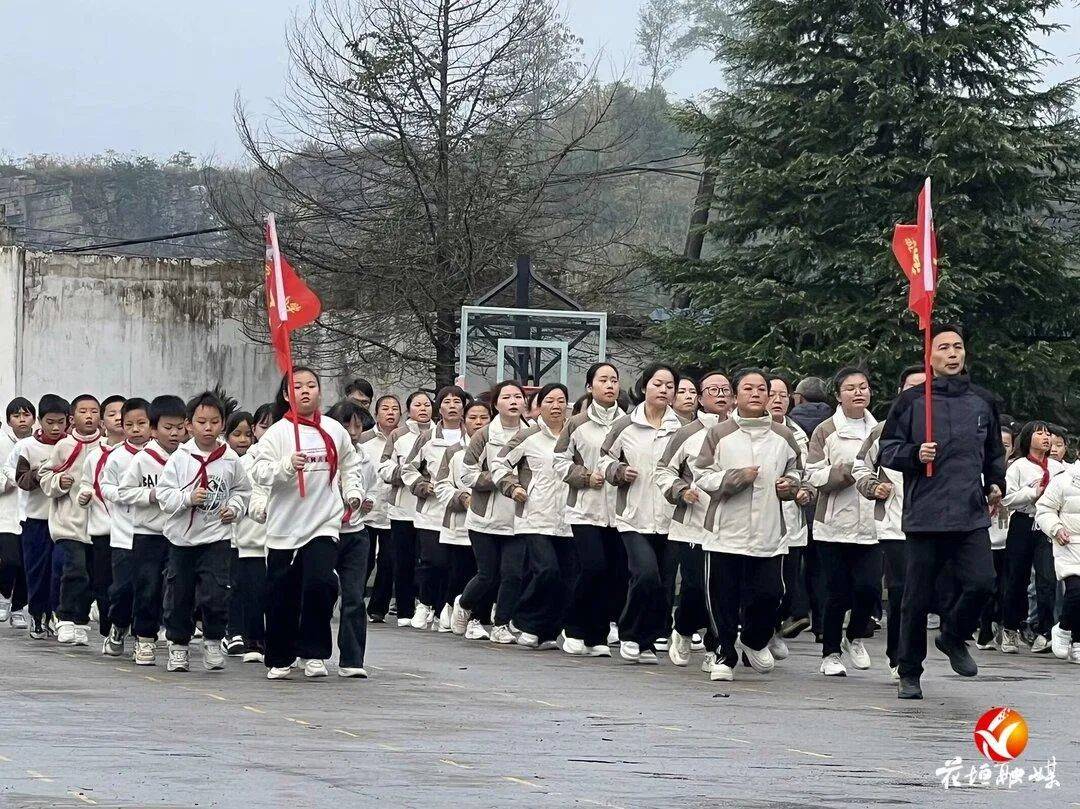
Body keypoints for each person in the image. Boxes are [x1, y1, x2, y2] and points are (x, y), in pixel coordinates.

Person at [880, 323, 1006, 699]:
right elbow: (887, 450)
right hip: (926, 514)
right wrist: (915, 455)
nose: (953, 353)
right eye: (944, 347)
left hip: (969, 512)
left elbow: (993, 454)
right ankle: (909, 671)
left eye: (958, 346)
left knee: (983, 582)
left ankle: (953, 636)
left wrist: (995, 483)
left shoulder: (983, 401)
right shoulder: (912, 402)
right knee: (915, 597)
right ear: (930, 356)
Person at [251, 367, 366, 680]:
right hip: (284, 528)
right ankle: (279, 656)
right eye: (297, 386)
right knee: (281, 593)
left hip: (323, 523)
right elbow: (259, 474)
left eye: (311, 385)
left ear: (320, 391)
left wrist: (353, 492)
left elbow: (349, 465)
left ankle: (313, 652)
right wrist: (287, 466)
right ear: (287, 395)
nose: (305, 391)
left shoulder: (333, 429)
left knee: (321, 583)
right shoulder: (277, 434)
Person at [692, 368, 802, 681]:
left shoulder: (783, 436)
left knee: (769, 594)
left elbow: (797, 470)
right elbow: (701, 474)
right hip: (725, 530)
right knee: (723, 596)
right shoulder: (719, 434)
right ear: (736, 396)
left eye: (761, 389)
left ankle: (754, 640)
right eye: (748, 389)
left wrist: (789, 485)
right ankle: (725, 654)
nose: (755, 394)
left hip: (769, 531)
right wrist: (734, 478)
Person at [155, 392, 252, 672]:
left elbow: (242, 491)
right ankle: (179, 646)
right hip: (182, 539)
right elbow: (164, 495)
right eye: (201, 422)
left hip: (216, 537)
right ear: (189, 424)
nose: (207, 428)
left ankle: (212, 639)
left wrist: (234, 508)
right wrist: (187, 498)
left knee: (215, 592)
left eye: (214, 422)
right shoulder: (179, 459)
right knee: (179, 594)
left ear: (222, 424)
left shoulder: (231, 460)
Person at [598, 363, 684, 664]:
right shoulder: (625, 425)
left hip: (671, 518)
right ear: (644, 386)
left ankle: (647, 641)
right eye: (658, 384)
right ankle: (630, 633)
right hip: (633, 516)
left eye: (670, 385)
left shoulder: (683, 427)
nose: (664, 390)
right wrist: (619, 470)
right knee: (645, 574)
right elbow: (603, 460)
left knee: (662, 583)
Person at [807, 367, 880, 677]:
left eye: (863, 387)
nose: (858, 392)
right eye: (850, 388)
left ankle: (855, 637)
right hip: (833, 523)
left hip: (873, 524)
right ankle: (831, 651)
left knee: (869, 588)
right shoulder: (825, 430)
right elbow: (812, 474)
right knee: (837, 592)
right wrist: (844, 472)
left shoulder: (880, 430)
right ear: (838, 395)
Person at [853, 364, 925, 678]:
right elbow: (860, 467)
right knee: (901, 590)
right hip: (894, 524)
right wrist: (873, 487)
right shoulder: (882, 430)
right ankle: (900, 657)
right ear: (900, 393)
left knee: (925, 593)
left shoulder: (947, 428)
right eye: (912, 387)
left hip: (933, 524)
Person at [655, 370, 731, 666]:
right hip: (693, 526)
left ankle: (716, 648)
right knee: (696, 588)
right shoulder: (686, 433)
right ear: (700, 398)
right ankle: (684, 628)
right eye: (713, 390)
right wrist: (680, 490)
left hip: (731, 527)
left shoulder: (745, 431)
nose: (721, 395)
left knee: (723, 591)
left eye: (725, 389)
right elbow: (663, 471)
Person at [554, 362, 627, 656]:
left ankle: (597, 636)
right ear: (589, 388)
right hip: (585, 509)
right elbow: (559, 461)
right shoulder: (576, 423)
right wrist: (585, 477)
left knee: (614, 573)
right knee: (593, 567)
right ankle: (573, 627)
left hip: (620, 512)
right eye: (603, 380)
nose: (610, 385)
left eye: (614, 380)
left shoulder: (630, 423)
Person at [492, 383, 573, 650]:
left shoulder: (574, 435)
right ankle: (523, 618)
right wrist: (512, 487)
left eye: (561, 401)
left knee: (563, 577)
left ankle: (547, 630)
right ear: (538, 406)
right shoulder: (529, 436)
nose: (556, 406)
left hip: (569, 517)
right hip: (535, 516)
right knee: (546, 570)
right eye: (549, 401)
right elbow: (499, 463)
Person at [452, 381, 529, 644]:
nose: (513, 401)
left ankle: (501, 624)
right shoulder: (484, 435)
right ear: (495, 404)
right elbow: (466, 473)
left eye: (518, 396)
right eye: (506, 397)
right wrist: (499, 479)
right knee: (488, 574)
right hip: (484, 517)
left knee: (513, 574)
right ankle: (466, 607)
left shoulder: (532, 433)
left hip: (518, 517)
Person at [117, 395, 187, 666]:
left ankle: (175, 640)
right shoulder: (143, 459)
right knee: (147, 587)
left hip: (180, 533)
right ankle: (144, 638)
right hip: (148, 533)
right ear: (154, 430)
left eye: (179, 427)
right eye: (168, 428)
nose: (174, 433)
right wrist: (152, 495)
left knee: (177, 589)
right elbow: (124, 491)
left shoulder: (189, 457)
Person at [39, 394, 103, 647]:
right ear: (72, 417)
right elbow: (45, 476)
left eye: (94, 411)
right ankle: (64, 618)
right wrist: (59, 483)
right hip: (69, 523)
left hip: (98, 524)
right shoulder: (64, 446)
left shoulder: (107, 447)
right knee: (73, 570)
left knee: (91, 576)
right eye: (83, 411)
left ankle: (79, 620)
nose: (89, 416)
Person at [402, 386, 468, 631]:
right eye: (446, 402)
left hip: (460, 511)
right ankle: (426, 603)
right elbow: (408, 468)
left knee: (457, 563)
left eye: (457, 402)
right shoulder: (428, 437)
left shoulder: (472, 437)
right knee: (433, 561)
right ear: (438, 408)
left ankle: (448, 606)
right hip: (431, 510)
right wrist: (421, 485)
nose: (452, 406)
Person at [1000, 421, 1065, 654]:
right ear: (1028, 438)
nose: (1046, 438)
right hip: (1023, 522)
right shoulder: (1018, 466)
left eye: (1048, 434)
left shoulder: (1058, 468)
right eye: (1040, 433)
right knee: (1016, 577)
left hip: (1046, 525)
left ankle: (1045, 631)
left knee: (1047, 578)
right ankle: (1009, 627)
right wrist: (1033, 492)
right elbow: (1007, 499)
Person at [327, 398, 377, 678]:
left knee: (355, 597)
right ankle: (312, 652)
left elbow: (371, 487)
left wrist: (365, 500)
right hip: (324, 532)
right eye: (346, 426)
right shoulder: (321, 457)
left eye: (358, 427)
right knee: (321, 592)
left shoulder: (365, 458)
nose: (353, 432)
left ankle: (352, 659)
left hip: (356, 533)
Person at [13, 394, 71, 639]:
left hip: (66, 519)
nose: (55, 427)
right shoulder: (27, 447)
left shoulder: (72, 446)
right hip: (36, 519)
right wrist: (42, 473)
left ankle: (58, 615)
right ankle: (37, 615)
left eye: (60, 422)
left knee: (62, 571)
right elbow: (21, 480)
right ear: (40, 421)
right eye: (50, 422)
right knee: (37, 570)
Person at [98, 398, 152, 656]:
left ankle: (145, 637)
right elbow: (105, 487)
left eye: (141, 423)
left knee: (150, 588)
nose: (135, 429)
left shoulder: (162, 456)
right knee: (123, 588)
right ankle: (118, 626)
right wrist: (127, 494)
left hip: (154, 534)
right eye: (129, 424)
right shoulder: (117, 456)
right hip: (124, 535)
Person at [436, 400, 493, 641]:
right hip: (460, 524)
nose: (478, 423)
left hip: (493, 522)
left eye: (484, 418)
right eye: (473, 418)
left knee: (488, 572)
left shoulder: (502, 449)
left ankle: (476, 619)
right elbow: (441, 485)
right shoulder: (453, 452)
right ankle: (452, 606)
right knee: (461, 572)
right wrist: (462, 498)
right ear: (463, 421)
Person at [378, 390, 433, 627]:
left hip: (431, 509)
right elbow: (384, 467)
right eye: (417, 404)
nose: (423, 409)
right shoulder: (398, 436)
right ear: (408, 410)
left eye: (427, 404)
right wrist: (406, 475)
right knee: (402, 560)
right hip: (402, 508)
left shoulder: (438, 434)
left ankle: (427, 605)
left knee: (428, 560)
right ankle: (404, 610)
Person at [77, 395, 126, 644]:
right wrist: (84, 496)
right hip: (102, 530)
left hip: (131, 531)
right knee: (104, 584)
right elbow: (85, 483)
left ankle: (138, 629)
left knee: (130, 583)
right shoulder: (95, 456)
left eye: (123, 413)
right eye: (111, 413)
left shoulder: (140, 455)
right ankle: (109, 630)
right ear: (102, 423)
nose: (118, 417)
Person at [768, 376, 813, 643]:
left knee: (788, 575)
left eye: (783, 395)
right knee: (767, 582)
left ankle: (780, 624)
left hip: (792, 516)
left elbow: (807, 470)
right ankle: (767, 629)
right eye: (772, 394)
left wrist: (804, 489)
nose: (777, 400)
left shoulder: (798, 433)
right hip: (761, 519)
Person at [223, 410, 268, 663]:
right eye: (236, 434)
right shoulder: (228, 461)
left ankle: (251, 635)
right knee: (234, 587)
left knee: (255, 589)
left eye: (247, 434)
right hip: (229, 535)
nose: (243, 439)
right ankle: (233, 632)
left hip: (257, 537)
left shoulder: (264, 461)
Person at [357, 394, 400, 623]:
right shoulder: (363, 440)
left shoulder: (404, 440)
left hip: (392, 510)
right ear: (376, 413)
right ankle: (354, 599)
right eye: (385, 408)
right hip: (365, 510)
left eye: (395, 409)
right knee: (364, 560)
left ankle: (378, 608)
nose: (390, 412)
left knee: (388, 560)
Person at [1034, 455, 1080, 663]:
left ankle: (1078, 642)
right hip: (1070, 544)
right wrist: (1056, 528)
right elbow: (1044, 509)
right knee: (1076, 592)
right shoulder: (1064, 480)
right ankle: (1063, 628)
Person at [0, 397, 35, 630]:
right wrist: (11, 480)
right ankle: (3, 597)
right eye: (16, 416)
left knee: (26, 563)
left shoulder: (38, 443)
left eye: (26, 415)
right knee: (9, 560)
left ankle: (18, 608)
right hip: (6, 511)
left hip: (32, 510)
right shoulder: (2, 443)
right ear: (8, 420)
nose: (22, 420)